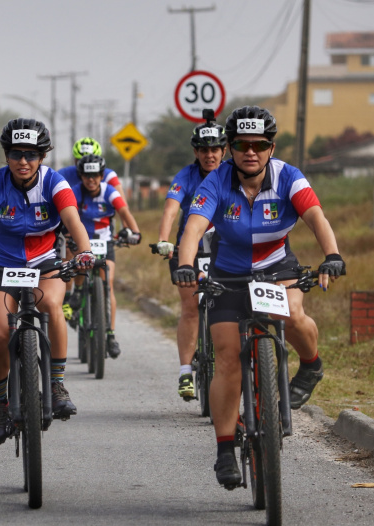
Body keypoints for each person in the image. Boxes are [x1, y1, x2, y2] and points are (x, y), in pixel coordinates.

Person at [174, 106, 345, 488]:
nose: (250, 152)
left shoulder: (289, 177)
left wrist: (332, 255)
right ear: (230, 148)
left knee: (293, 313)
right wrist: (186, 265)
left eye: (260, 145)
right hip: (228, 274)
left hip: (277, 267)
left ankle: (312, 365)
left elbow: (317, 217)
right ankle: (223, 450)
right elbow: (193, 228)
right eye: (241, 145)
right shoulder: (216, 181)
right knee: (227, 357)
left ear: (271, 147)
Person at [0, 118, 95, 445]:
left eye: (31, 154)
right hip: (1, 266)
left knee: (51, 305)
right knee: (0, 332)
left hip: (45, 263)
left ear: (42, 156)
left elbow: (73, 220)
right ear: (6, 155)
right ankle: (0, 402)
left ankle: (57, 384)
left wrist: (85, 251)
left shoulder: (54, 182)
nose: (23, 161)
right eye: (16, 153)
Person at [155, 113, 227, 400]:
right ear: (196, 152)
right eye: (204, 150)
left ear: (224, 150)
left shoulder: (232, 174)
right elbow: (171, 209)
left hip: (225, 248)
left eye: (215, 149)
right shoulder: (186, 175)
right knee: (190, 308)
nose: (209, 155)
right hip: (190, 248)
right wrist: (163, 240)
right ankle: (186, 372)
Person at [66, 154, 141, 358]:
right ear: (81, 176)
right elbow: (65, 216)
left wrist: (135, 232)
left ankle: (110, 334)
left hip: (105, 243)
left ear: (102, 175)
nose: (92, 180)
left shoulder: (109, 192)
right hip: (82, 243)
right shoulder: (75, 193)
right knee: (80, 266)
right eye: (87, 176)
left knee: (107, 285)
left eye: (96, 175)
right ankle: (78, 290)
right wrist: (66, 234)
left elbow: (124, 213)